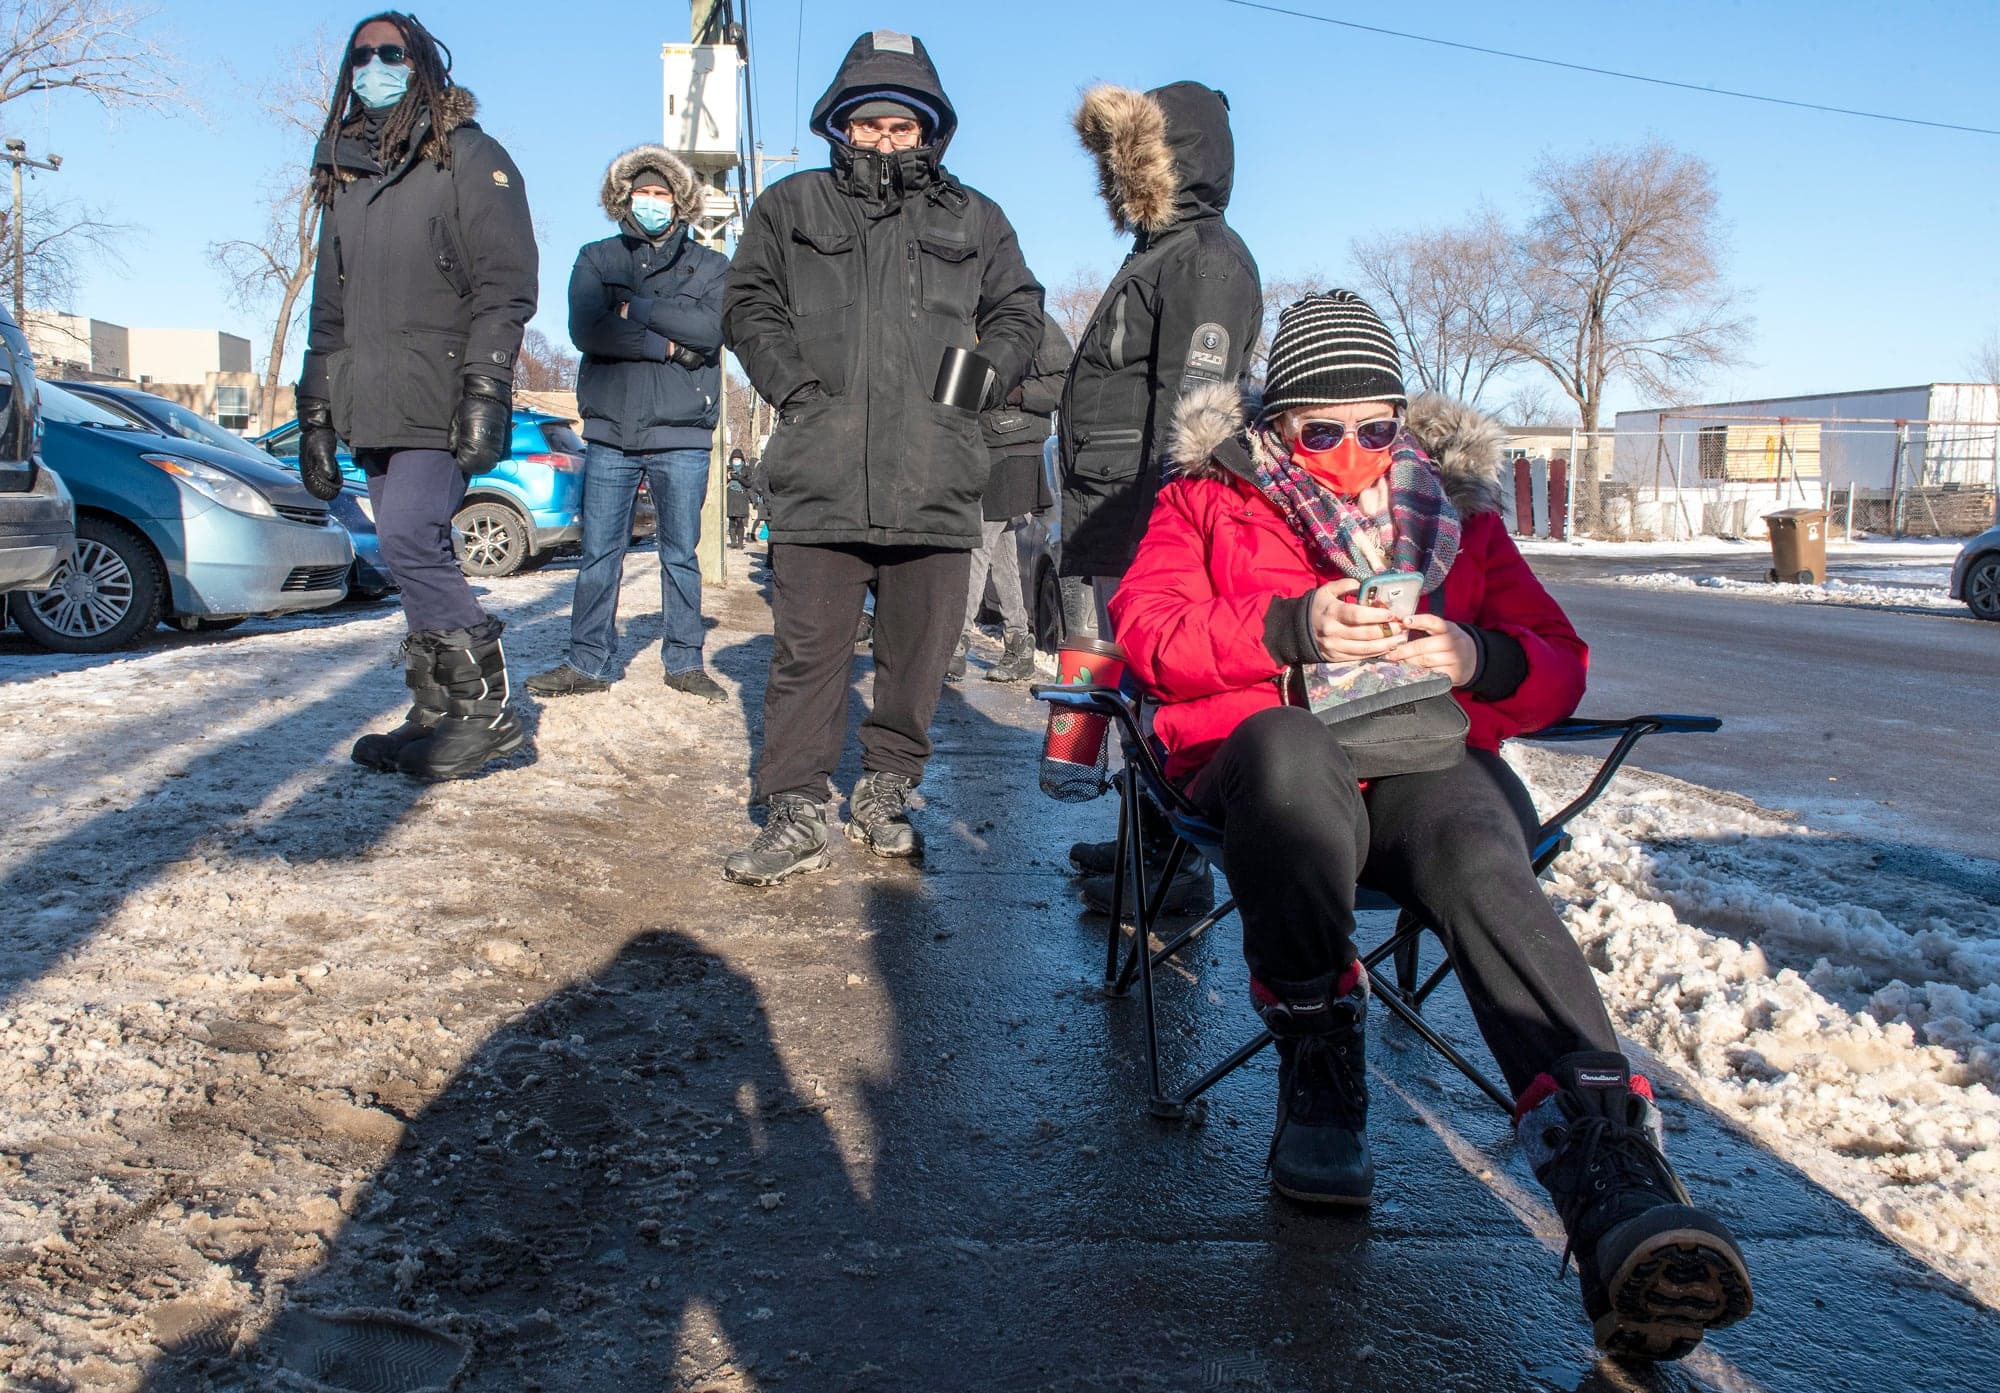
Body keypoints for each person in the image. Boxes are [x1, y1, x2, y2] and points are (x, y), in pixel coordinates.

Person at [1109, 291, 1754, 1361]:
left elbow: (1552, 655)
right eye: (1321, 430)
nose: (1352, 454)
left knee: (1473, 834)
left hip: (1416, 755)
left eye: (1375, 427)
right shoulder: (1205, 501)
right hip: (1258, 756)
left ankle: (1612, 1181)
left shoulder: (1457, 511)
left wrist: (1472, 656)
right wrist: (1289, 626)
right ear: (1273, 422)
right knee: (1285, 752)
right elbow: (1148, 631)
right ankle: (1318, 1056)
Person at [721, 29, 1043, 885]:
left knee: (919, 656)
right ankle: (793, 809)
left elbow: (1021, 313)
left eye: (902, 126)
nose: (884, 139)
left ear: (929, 130)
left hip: (937, 474)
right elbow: (747, 301)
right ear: (840, 125)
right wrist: (795, 390)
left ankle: (885, 792)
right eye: (868, 123)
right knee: (807, 654)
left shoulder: (975, 217)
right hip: (820, 471)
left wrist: (969, 393)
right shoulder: (792, 207)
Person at [298, 10, 536, 779]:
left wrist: (487, 386)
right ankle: (436, 706)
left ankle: (485, 713)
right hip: (370, 394)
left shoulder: (467, 156)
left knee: (409, 536)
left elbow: (505, 282)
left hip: (441, 388)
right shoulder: (345, 178)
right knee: (408, 550)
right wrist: (315, 415)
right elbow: (326, 313)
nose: (375, 66)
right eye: (361, 55)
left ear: (422, 62)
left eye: (391, 52)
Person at [1058, 81, 1261, 900]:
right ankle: (1143, 837)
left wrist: (1163, 533)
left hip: (1151, 512)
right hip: (1118, 504)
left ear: (1172, 159)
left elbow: (1192, 409)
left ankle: (1171, 871)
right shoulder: (1158, 251)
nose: (1113, 175)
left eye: (1127, 157)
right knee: (1137, 691)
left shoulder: (1205, 255)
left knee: (1161, 691)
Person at [526, 145, 729, 702]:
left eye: (662, 194)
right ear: (624, 197)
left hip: (682, 432)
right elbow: (588, 331)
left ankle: (684, 661)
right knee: (599, 553)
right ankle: (587, 662)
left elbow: (710, 333)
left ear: (680, 201)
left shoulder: (712, 266)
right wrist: (667, 344)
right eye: (642, 192)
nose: (651, 202)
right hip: (612, 430)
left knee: (679, 553)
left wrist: (634, 309)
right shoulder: (597, 259)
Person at [949, 314, 1071, 684]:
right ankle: (1018, 643)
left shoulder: (1032, 320)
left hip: (1015, 447)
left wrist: (1013, 393)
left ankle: (956, 642)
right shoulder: (965, 314)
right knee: (1000, 546)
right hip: (977, 445)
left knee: (977, 542)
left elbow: (1062, 381)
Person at [726, 449, 751, 548]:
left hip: (741, 496)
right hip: (731, 496)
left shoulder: (746, 469)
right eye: (734, 459)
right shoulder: (728, 469)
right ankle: (733, 542)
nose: (736, 461)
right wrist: (728, 477)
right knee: (731, 519)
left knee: (740, 519)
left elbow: (749, 483)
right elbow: (722, 482)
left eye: (738, 459)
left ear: (742, 460)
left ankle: (740, 542)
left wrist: (739, 478)